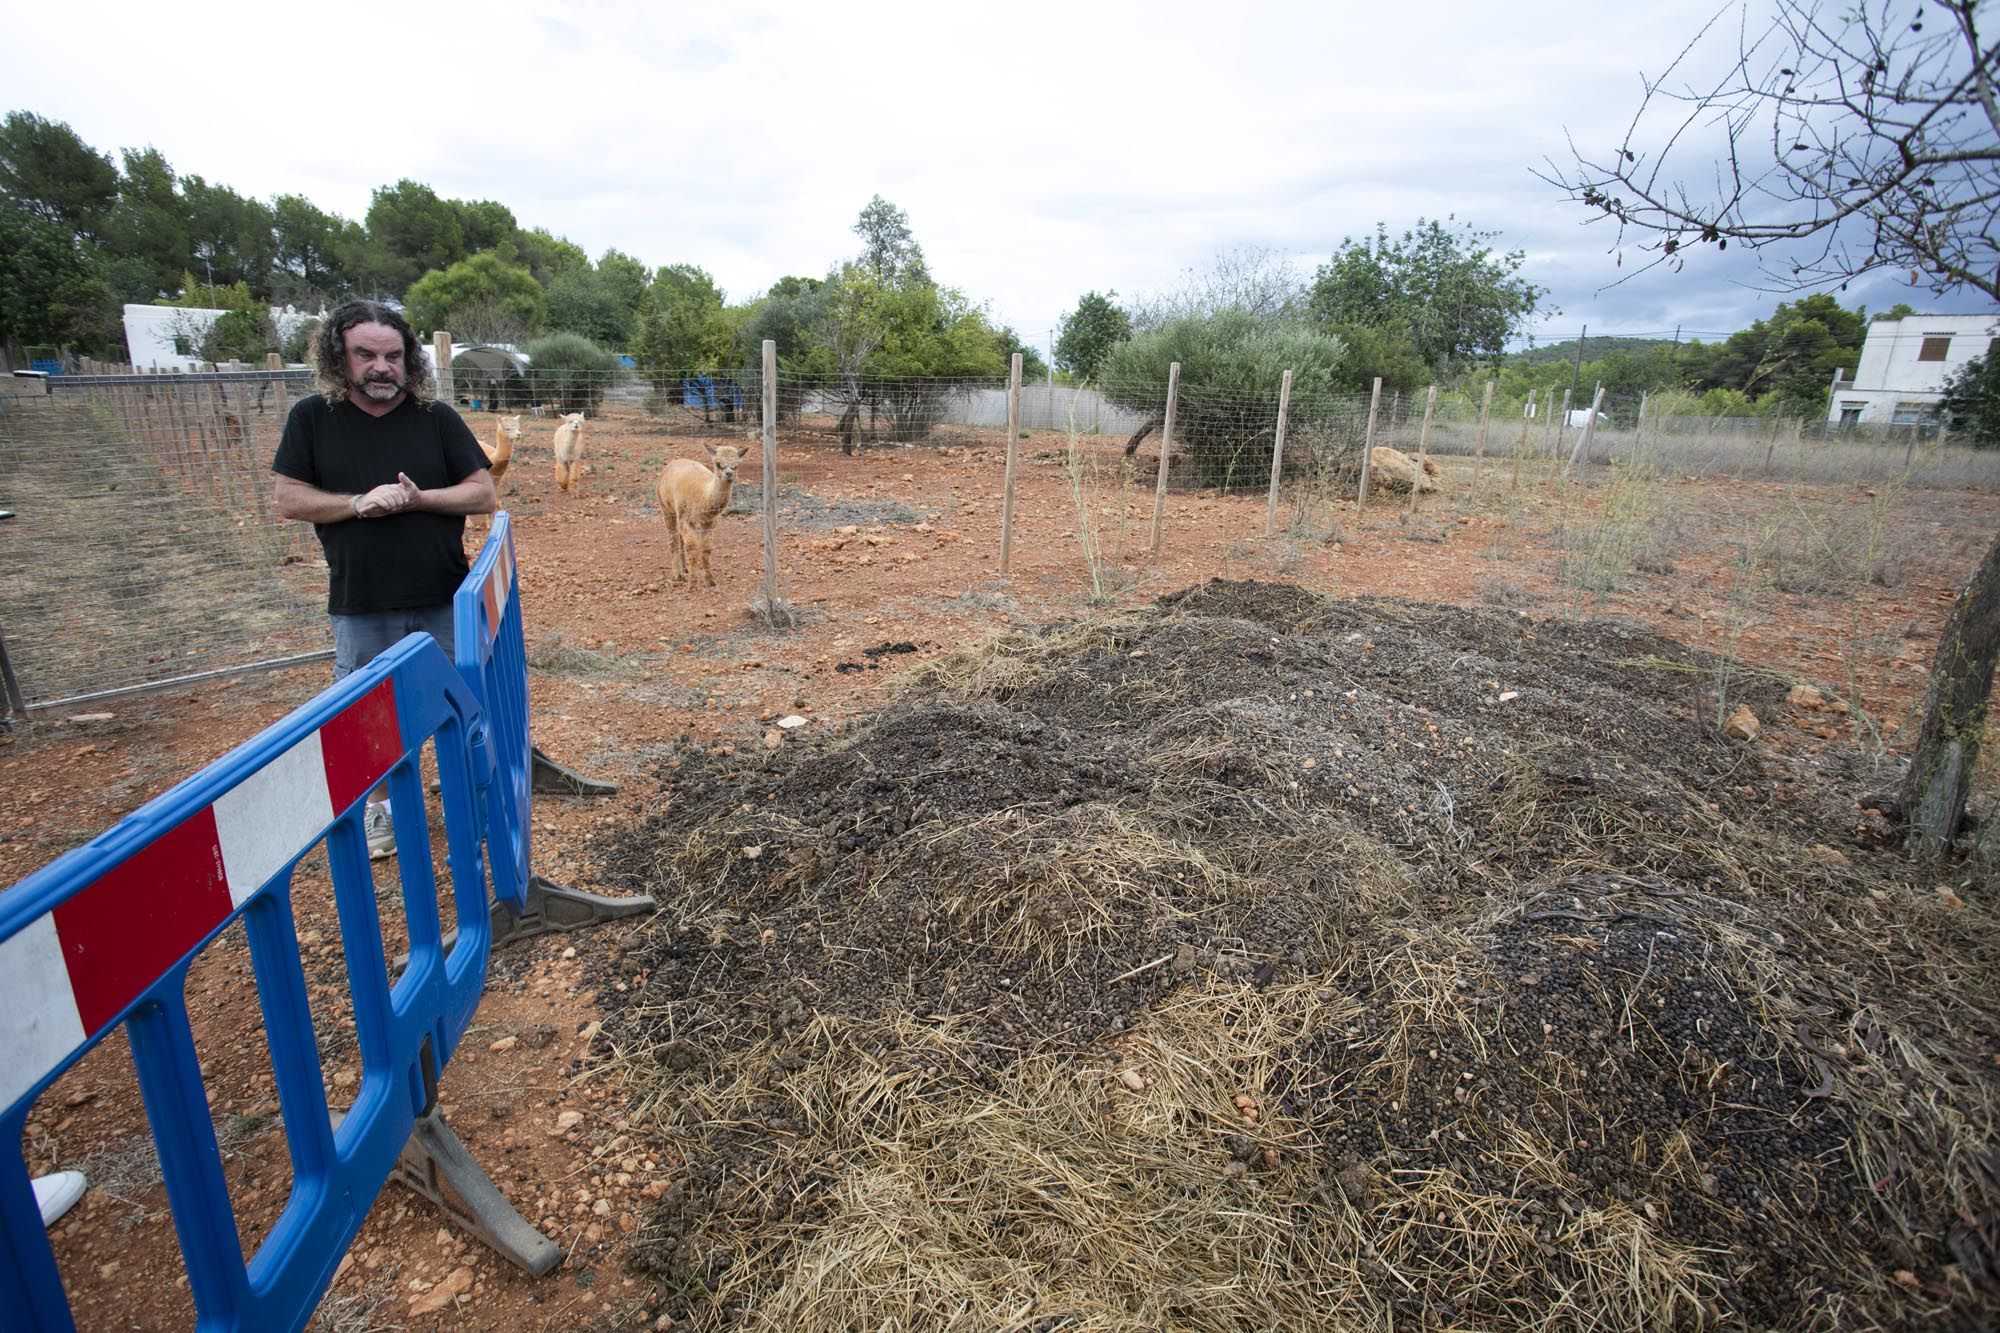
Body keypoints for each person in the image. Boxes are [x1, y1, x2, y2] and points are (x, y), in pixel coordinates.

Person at [273, 301, 497, 857]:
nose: (382, 367)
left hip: (444, 595)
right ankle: (380, 814)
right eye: (366, 354)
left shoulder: (435, 419)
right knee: (367, 715)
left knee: (460, 701)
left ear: (409, 360)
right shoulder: (312, 419)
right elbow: (288, 499)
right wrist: (356, 502)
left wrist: (421, 498)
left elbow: (482, 492)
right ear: (339, 357)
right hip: (362, 601)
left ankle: (469, 796)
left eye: (393, 356)